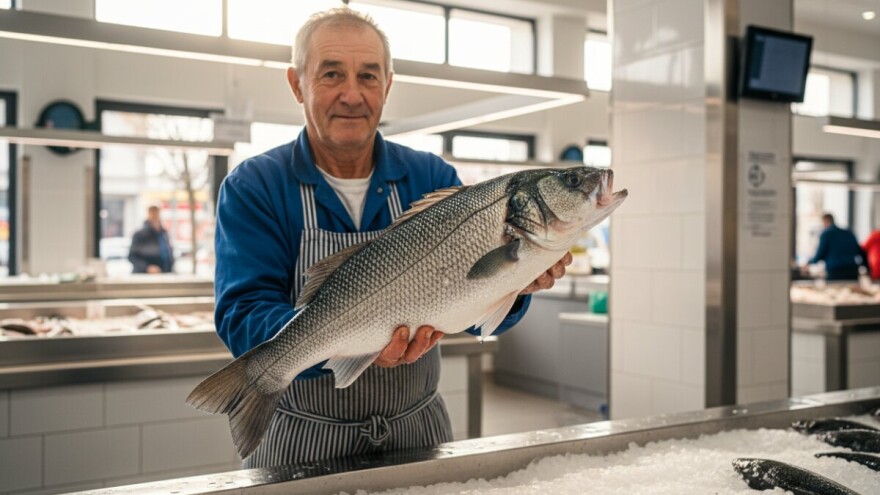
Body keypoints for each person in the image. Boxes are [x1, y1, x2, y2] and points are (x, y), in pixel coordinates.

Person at [213, 7, 571, 468]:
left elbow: (483, 313)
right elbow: (244, 315)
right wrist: (340, 344)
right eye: (331, 74)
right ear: (297, 83)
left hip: (417, 435)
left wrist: (519, 282)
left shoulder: (431, 176)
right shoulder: (255, 186)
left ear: (388, 84)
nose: (352, 94)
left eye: (368, 75)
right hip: (300, 442)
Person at [808, 213, 866, 280]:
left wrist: (809, 263)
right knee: (852, 289)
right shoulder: (848, 233)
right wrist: (866, 266)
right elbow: (859, 251)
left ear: (825, 221)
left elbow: (819, 254)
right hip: (852, 270)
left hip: (835, 271)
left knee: (835, 289)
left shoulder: (826, 234)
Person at [128, 205, 174, 274]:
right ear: (148, 214)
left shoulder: (164, 233)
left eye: (156, 213)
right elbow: (132, 256)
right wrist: (147, 268)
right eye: (152, 213)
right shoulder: (139, 234)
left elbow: (169, 254)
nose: (155, 216)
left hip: (164, 274)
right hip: (145, 275)